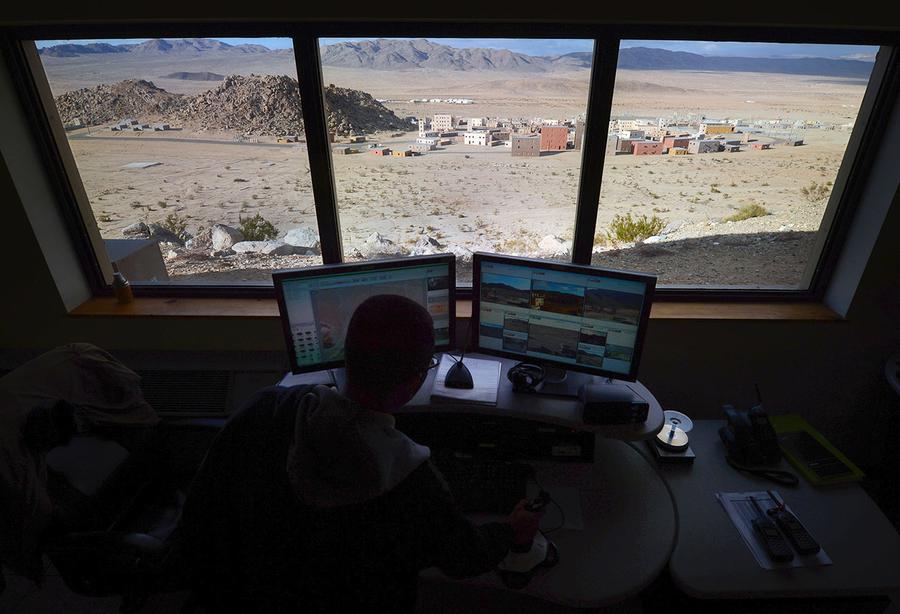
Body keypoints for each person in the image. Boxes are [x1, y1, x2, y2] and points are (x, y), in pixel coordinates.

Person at [180, 294, 542, 613]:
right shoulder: (409, 478)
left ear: (346, 356)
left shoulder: (266, 406)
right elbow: (463, 558)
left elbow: (201, 506)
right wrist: (511, 529)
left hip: (245, 595)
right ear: (416, 380)